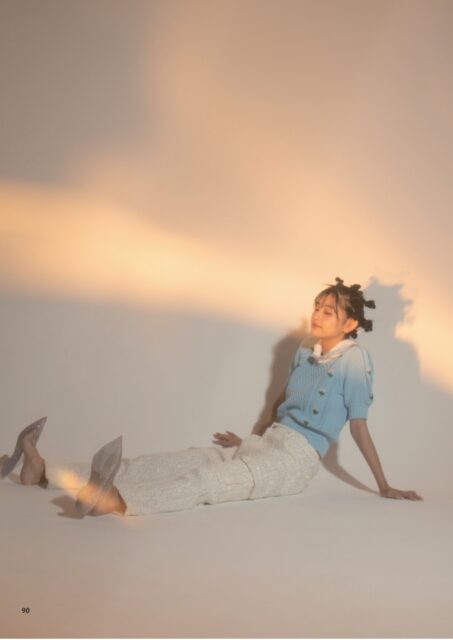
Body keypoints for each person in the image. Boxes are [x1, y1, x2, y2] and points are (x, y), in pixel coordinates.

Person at [1, 277, 423, 517]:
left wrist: (384, 485)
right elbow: (281, 400)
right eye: (316, 306)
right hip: (268, 443)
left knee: (208, 482)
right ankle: (42, 472)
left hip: (295, 462)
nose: (316, 315)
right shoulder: (304, 349)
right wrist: (252, 439)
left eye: (328, 311)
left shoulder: (356, 361)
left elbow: (359, 426)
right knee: (172, 461)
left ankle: (117, 500)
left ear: (349, 324)